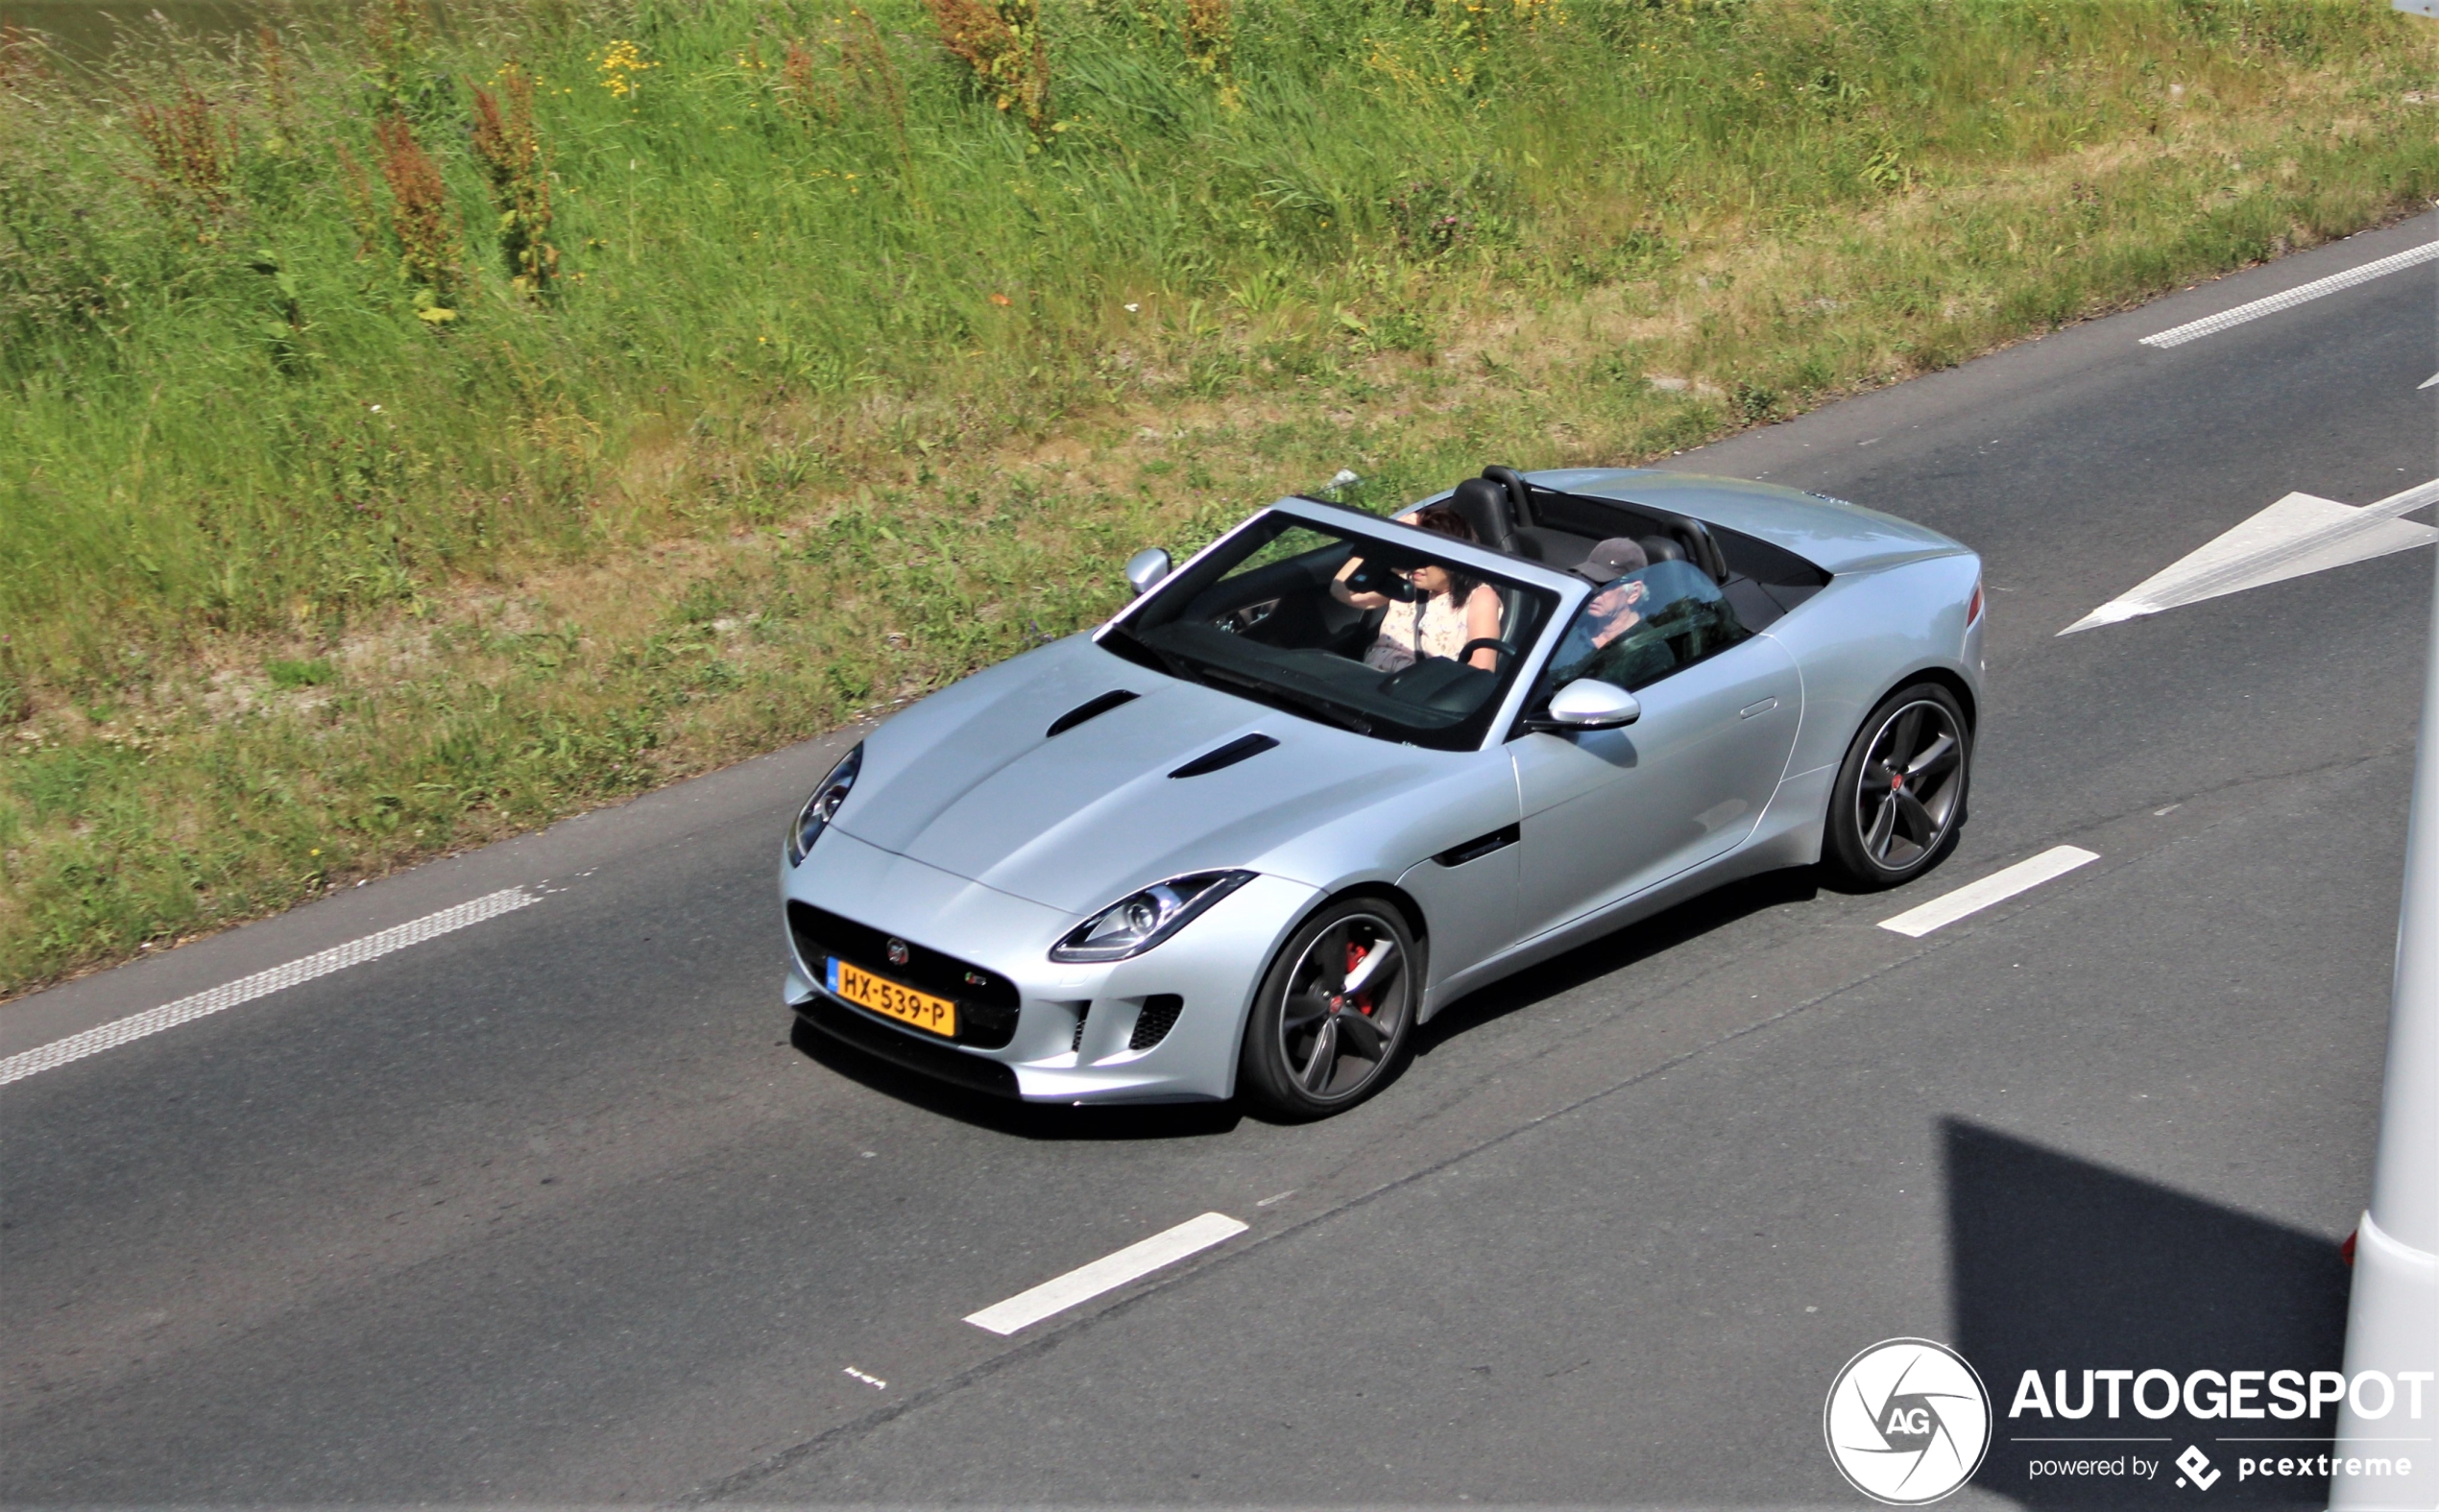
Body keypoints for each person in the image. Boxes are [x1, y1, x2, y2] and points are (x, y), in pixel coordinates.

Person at [1331, 506, 1506, 672]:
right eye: (1414, 553)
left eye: (1425, 556)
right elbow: (1341, 589)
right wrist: (1386, 538)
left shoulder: (1479, 597)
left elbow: (1481, 670)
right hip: (1367, 684)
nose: (1417, 564)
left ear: (1452, 557)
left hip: (1414, 696)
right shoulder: (1406, 583)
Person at [1548, 538, 1652, 677]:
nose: (1594, 591)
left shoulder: (1650, 651)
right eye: (1588, 581)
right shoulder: (1569, 629)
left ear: (1634, 592)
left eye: (1604, 585)